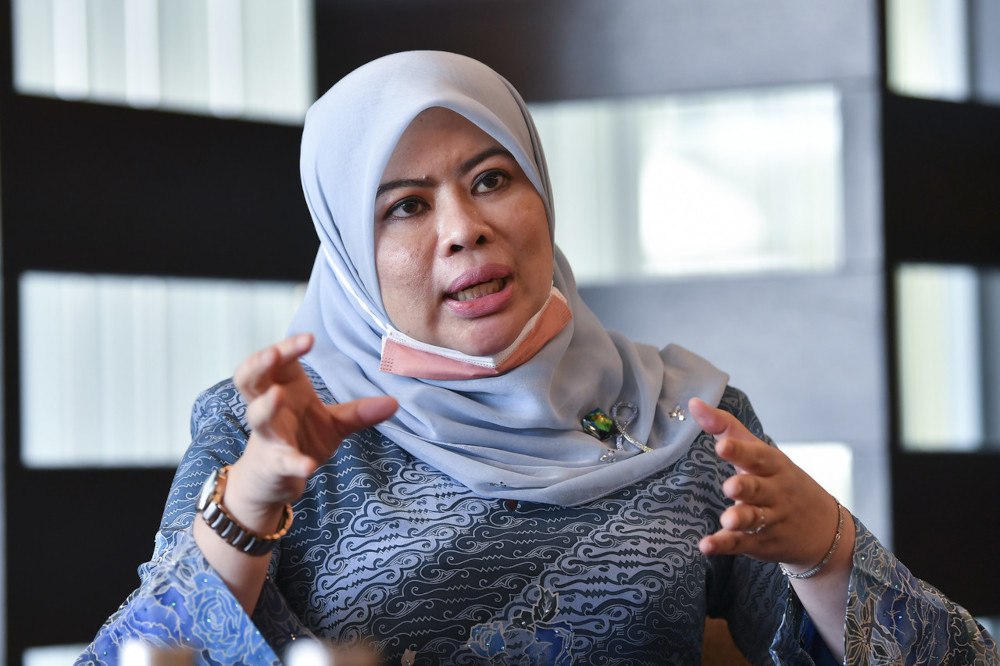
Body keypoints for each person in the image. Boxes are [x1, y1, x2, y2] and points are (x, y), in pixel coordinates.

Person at [77, 51, 997, 666]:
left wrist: (828, 550)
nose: (463, 229)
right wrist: (251, 504)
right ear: (347, 251)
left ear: (541, 192)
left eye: (491, 179)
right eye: (404, 205)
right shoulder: (272, 430)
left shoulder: (690, 419)